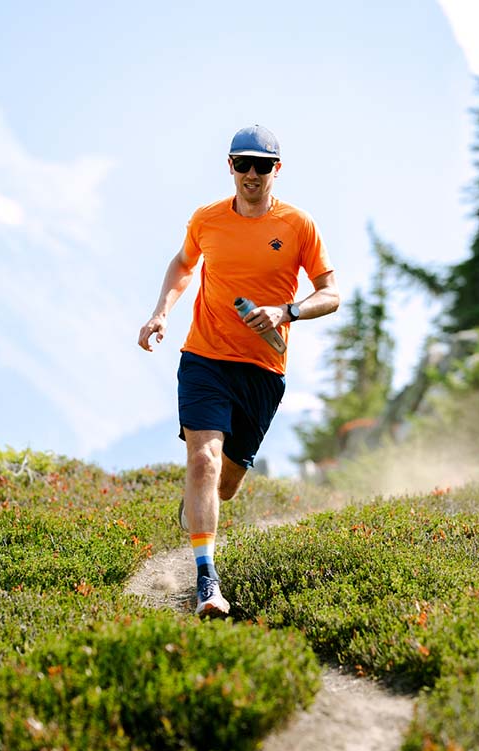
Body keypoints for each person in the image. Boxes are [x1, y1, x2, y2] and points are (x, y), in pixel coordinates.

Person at [137, 124, 339, 618]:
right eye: (243, 164)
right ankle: (206, 580)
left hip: (263, 369)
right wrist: (161, 311)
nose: (252, 173)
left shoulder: (298, 225)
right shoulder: (206, 219)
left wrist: (285, 311)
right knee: (202, 460)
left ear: (277, 169)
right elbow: (183, 265)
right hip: (204, 357)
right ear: (230, 166)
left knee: (226, 482)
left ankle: (199, 509)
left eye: (262, 165)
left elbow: (331, 295)